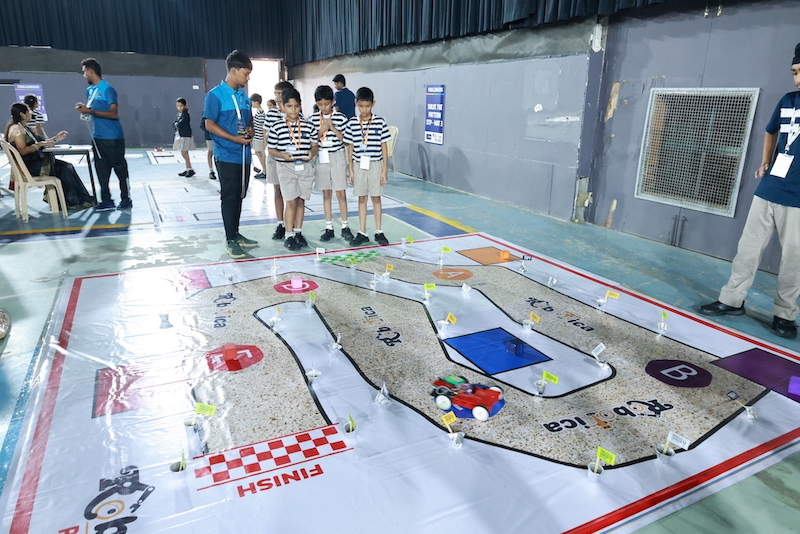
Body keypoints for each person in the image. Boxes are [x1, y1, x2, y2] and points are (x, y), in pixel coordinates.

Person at [699, 42, 800, 339]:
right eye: (794, 72)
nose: (797, 79)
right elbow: (770, 131)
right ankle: (732, 300)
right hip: (769, 189)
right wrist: (765, 161)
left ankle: (785, 314)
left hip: (797, 199)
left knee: (793, 260)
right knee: (748, 249)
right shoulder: (788, 100)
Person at [202, 49, 258, 259]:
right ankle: (230, 239)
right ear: (233, 71)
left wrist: (250, 129)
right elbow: (209, 124)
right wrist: (233, 139)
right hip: (226, 156)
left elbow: (249, 122)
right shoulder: (215, 95)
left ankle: (236, 233)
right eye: (245, 73)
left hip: (244, 156)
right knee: (229, 197)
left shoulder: (244, 98)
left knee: (239, 196)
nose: (247, 78)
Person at [5, 102, 95, 209]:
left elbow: (40, 142)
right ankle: (73, 201)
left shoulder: (23, 128)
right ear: (22, 114)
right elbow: (23, 150)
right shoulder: (17, 129)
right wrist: (39, 145)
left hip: (35, 162)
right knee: (64, 168)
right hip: (31, 166)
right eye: (28, 112)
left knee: (66, 166)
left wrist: (56, 138)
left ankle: (71, 200)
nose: (30, 114)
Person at [75, 57, 132, 211]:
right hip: (97, 137)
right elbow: (91, 110)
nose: (84, 76)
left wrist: (90, 111)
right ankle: (106, 200)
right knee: (101, 170)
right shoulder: (90, 90)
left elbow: (114, 114)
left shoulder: (107, 89)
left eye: (84, 72)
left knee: (120, 169)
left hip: (113, 137)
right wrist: (85, 109)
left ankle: (126, 198)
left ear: (91, 71)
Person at [267, 87, 318, 251]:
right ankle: (288, 235)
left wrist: (312, 153)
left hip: (304, 167)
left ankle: (298, 232)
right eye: (289, 106)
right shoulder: (277, 127)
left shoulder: (308, 125)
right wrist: (282, 155)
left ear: (300, 106)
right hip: (286, 167)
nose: (293, 110)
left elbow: (315, 145)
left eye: (296, 106)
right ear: (282, 107)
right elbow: (271, 149)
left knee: (301, 200)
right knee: (291, 201)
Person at [343, 86, 391, 246]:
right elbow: (350, 147)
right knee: (362, 198)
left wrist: (384, 170)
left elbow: (384, 146)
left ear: (373, 104)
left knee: (376, 198)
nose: (364, 110)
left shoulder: (379, 122)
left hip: (375, 164)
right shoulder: (352, 123)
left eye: (367, 106)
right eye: (361, 106)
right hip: (359, 166)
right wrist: (350, 169)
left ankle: (379, 231)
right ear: (356, 103)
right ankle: (362, 232)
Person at [311, 85, 352, 242]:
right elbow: (311, 139)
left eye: (327, 104)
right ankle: (329, 227)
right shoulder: (313, 119)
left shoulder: (341, 118)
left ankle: (345, 226)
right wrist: (321, 130)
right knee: (326, 193)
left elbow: (346, 140)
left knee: (340, 192)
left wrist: (332, 128)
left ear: (333, 102)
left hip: (337, 156)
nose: (324, 107)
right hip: (322, 157)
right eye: (320, 104)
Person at [265, 81, 296, 240]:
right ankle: (280, 224)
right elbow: (266, 134)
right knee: (277, 190)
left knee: (293, 195)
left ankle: (295, 227)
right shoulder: (271, 114)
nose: (277, 97)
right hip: (275, 157)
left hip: (292, 160)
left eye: (279, 93)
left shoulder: (296, 113)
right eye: (275, 94)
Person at [173, 97, 196, 177]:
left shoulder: (186, 115)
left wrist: (177, 124)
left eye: (181, 106)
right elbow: (174, 123)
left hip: (185, 135)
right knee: (183, 152)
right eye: (178, 106)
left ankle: (189, 169)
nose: (179, 108)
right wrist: (176, 124)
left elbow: (180, 124)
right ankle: (188, 168)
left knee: (184, 152)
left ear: (185, 106)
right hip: (180, 135)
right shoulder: (178, 115)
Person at [250, 93, 267, 179]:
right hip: (257, 137)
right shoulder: (258, 112)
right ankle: (264, 170)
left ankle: (265, 171)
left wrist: (264, 140)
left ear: (256, 102)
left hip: (260, 137)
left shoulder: (261, 113)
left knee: (261, 153)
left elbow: (264, 127)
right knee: (257, 152)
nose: (252, 104)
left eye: (252, 102)